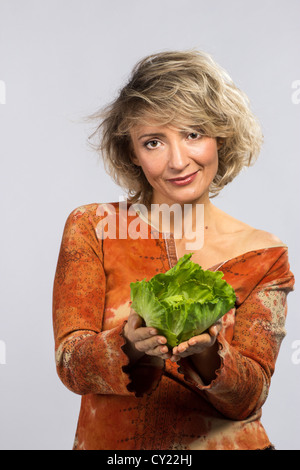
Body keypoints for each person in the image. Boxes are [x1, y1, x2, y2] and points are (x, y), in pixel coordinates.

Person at [52, 50, 295, 450]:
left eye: (193, 134)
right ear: (133, 152)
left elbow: (250, 397)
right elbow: (70, 366)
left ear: (220, 134)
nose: (178, 161)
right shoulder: (92, 227)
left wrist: (210, 351)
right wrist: (128, 344)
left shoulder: (264, 255)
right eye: (153, 142)